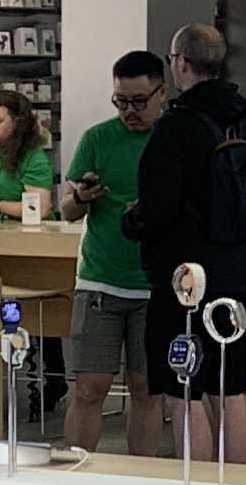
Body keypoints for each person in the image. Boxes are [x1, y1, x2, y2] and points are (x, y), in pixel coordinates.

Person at [129, 21, 246, 466]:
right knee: (230, 389)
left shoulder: (177, 126)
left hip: (184, 279)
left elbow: (156, 209)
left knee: (183, 390)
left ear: (182, 63)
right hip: (237, 270)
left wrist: (130, 221)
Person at [59, 51, 166, 452]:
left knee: (147, 389)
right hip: (99, 281)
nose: (129, 111)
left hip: (154, 285)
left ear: (162, 93)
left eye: (139, 101)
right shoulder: (97, 138)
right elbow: (67, 210)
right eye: (121, 101)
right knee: (89, 389)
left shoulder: (171, 138)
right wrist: (82, 197)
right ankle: (76, 474)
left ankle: (143, 479)